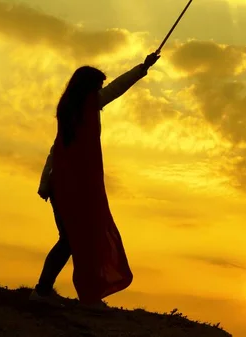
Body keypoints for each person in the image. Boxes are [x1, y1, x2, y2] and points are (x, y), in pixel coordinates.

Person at [30, 53, 161, 311]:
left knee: (71, 239)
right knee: (77, 239)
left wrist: (46, 182)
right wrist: (143, 68)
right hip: (76, 186)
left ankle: (51, 291)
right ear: (89, 89)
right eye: (98, 87)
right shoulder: (87, 107)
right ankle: (70, 294)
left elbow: (57, 148)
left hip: (64, 185)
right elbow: (116, 89)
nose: (100, 92)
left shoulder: (67, 109)